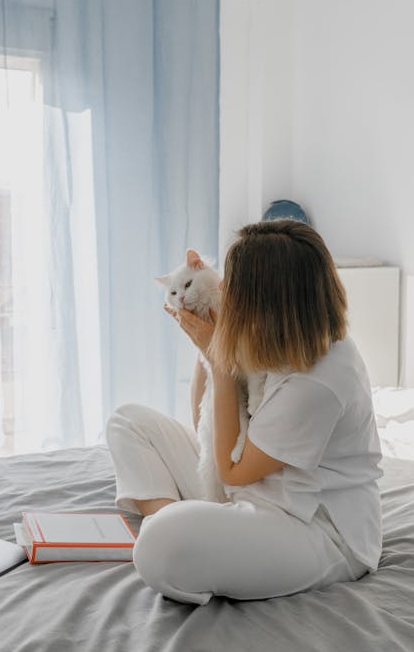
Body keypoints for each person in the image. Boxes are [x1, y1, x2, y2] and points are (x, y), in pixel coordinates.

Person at [105, 220, 384, 606]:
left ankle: (180, 524)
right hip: (250, 485)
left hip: (311, 525)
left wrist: (219, 359)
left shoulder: (320, 380)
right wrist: (209, 352)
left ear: (267, 296)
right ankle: (186, 520)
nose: (225, 290)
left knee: (158, 544)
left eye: (234, 284)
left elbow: (230, 470)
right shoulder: (278, 332)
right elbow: (204, 423)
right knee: (127, 421)